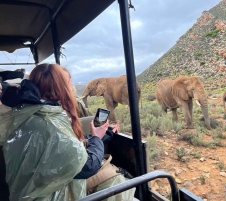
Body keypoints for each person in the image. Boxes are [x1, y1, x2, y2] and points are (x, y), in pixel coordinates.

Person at [0, 63, 134, 201]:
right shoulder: (50, 122)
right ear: (62, 88)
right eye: (67, 83)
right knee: (117, 181)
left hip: (23, 192)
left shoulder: (22, 114)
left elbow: (57, 147)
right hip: (48, 195)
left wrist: (97, 137)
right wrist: (97, 139)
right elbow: (87, 167)